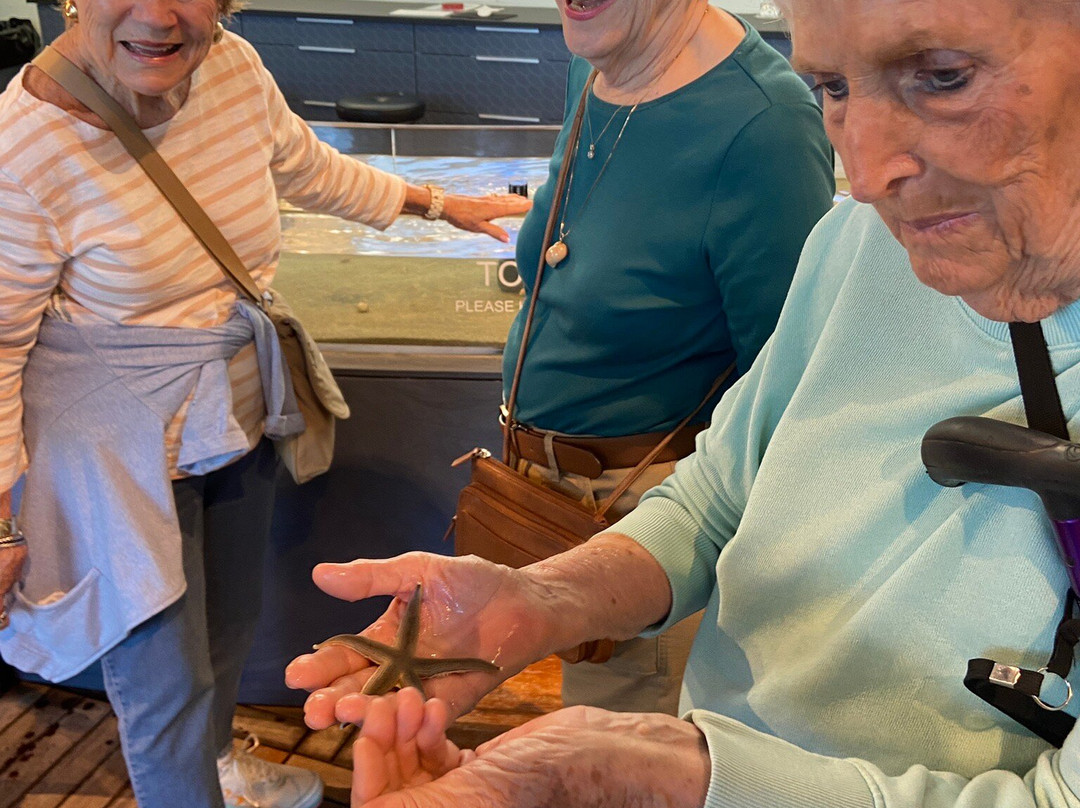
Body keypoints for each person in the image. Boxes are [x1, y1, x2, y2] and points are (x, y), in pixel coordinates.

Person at [286, 0, 1080, 804]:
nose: (868, 174)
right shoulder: (860, 242)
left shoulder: (770, 138)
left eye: (944, 78)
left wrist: (676, 776)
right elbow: (720, 494)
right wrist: (536, 601)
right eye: (834, 87)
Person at [0, 1, 529, 807]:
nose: (159, 15)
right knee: (161, 677)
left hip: (232, 413)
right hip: (116, 452)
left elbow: (306, 166)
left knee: (229, 626)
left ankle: (216, 772)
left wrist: (436, 203)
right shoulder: (24, 144)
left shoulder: (231, 66)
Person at [463, 0, 836, 716]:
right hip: (542, 495)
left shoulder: (765, 128)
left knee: (617, 758)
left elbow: (787, 394)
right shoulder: (600, 54)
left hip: (644, 521)